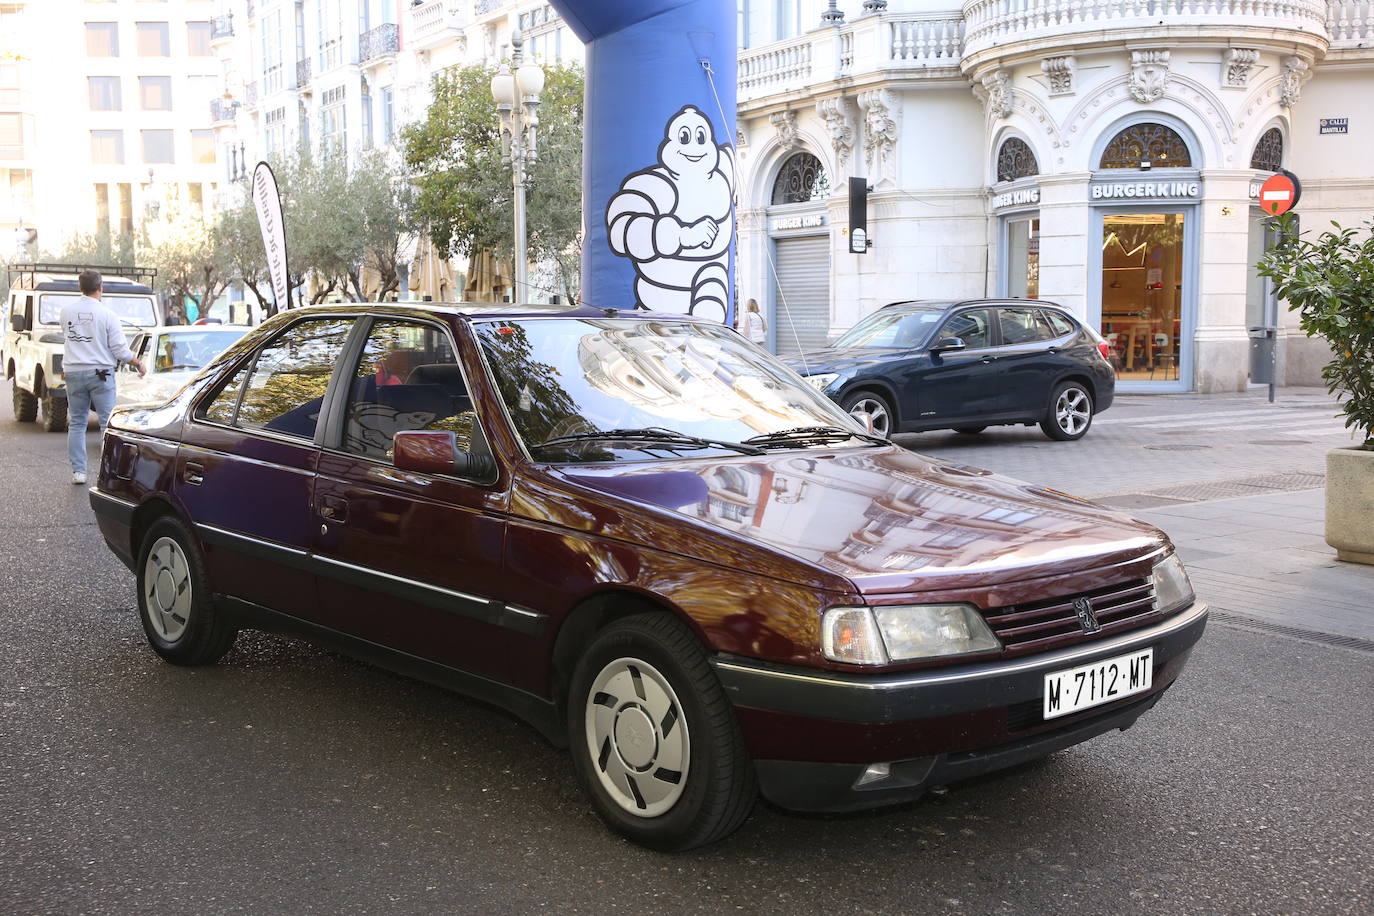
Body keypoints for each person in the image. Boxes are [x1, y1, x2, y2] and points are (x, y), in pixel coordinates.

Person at [60, 269, 146, 485]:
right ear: (100, 287)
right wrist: (137, 363)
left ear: (80, 287)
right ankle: (107, 470)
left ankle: (78, 472)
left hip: (73, 372)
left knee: (77, 423)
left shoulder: (66, 312)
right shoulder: (108, 315)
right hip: (101, 373)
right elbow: (120, 350)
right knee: (107, 424)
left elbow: (69, 340)